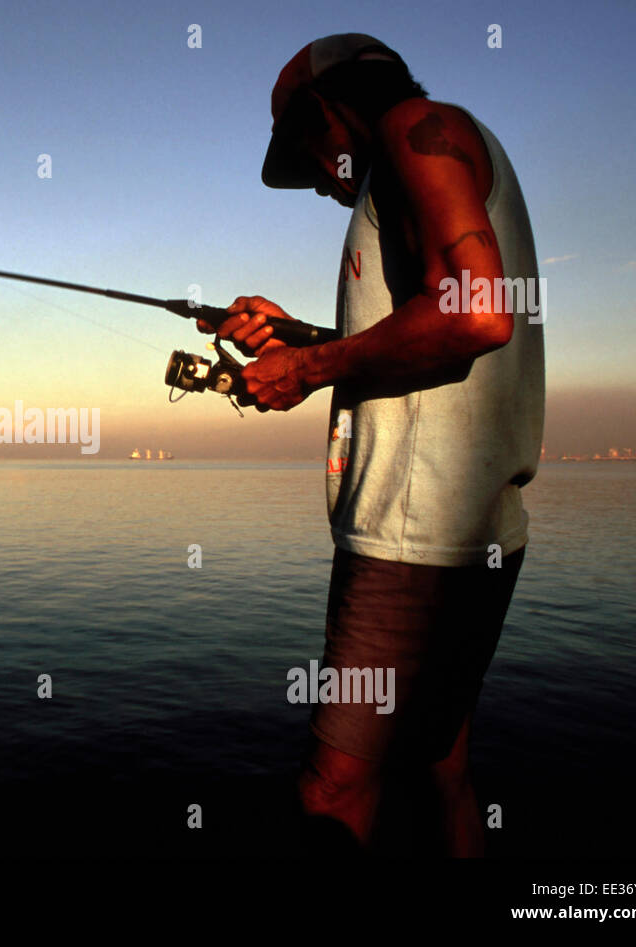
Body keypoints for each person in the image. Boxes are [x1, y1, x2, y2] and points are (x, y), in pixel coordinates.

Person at [201, 34, 545, 855]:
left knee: (332, 789)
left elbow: (475, 314)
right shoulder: (452, 141)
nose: (323, 183)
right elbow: (430, 334)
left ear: (328, 110)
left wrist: (307, 369)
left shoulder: (414, 129)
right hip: (477, 530)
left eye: (309, 153)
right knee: (441, 765)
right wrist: (297, 335)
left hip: (408, 538)